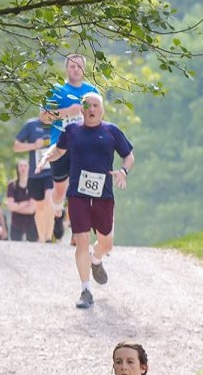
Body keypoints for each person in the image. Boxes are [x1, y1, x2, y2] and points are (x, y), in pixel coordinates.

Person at [42, 91, 134, 309]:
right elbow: (59, 149)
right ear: (82, 109)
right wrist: (47, 156)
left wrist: (123, 171)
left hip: (104, 195)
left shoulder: (112, 131)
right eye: (87, 105)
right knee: (81, 240)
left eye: (95, 106)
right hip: (78, 194)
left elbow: (128, 155)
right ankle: (85, 290)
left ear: (102, 110)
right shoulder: (72, 131)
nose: (91, 109)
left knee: (106, 243)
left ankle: (97, 259)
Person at [38, 54, 99, 241]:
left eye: (79, 66)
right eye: (72, 66)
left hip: (83, 146)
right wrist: (67, 112)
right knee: (59, 189)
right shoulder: (56, 90)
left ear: (84, 69)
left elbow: (98, 116)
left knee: (80, 188)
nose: (76, 69)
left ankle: (77, 229)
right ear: (66, 68)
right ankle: (58, 210)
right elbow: (43, 117)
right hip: (60, 145)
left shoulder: (91, 91)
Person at [13, 116, 54, 241]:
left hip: (52, 171)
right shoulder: (31, 125)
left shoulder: (59, 125)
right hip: (36, 173)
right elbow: (16, 146)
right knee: (39, 207)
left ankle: (48, 236)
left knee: (49, 200)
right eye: (44, 109)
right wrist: (33, 146)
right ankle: (42, 238)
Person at [5, 156, 46, 242]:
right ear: (17, 168)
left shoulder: (34, 184)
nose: (23, 168)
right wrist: (25, 204)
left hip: (32, 224)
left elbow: (31, 209)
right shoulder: (12, 185)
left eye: (25, 166)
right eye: (20, 166)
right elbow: (10, 207)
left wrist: (17, 206)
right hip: (16, 224)